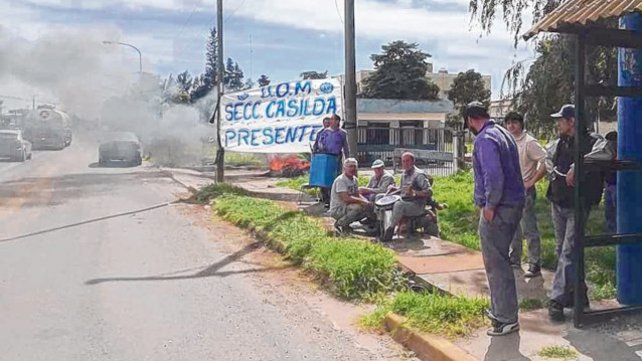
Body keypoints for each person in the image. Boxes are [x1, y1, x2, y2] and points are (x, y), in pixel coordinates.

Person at [467, 101, 525, 336]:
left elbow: (493, 174)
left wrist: (490, 205)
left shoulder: (484, 139)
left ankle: (505, 317)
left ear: (470, 119)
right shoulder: (503, 133)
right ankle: (505, 312)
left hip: (499, 208)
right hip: (515, 204)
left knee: (496, 263)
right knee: (502, 260)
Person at [545, 104, 604, 322]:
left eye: (561, 119)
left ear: (572, 121)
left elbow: (606, 152)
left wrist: (578, 165)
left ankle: (557, 300)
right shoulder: (561, 142)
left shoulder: (592, 141)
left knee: (568, 252)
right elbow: (547, 156)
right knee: (564, 250)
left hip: (577, 206)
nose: (558, 123)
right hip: (558, 201)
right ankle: (579, 294)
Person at [504, 112, 547, 278]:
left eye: (514, 122)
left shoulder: (529, 142)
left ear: (521, 124)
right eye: (508, 123)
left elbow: (545, 160)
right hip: (510, 191)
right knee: (513, 227)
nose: (511, 126)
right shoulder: (507, 141)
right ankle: (514, 259)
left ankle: (534, 263)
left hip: (525, 191)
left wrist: (532, 181)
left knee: (528, 228)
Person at [381, 152, 432, 242]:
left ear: (413, 161)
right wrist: (393, 190)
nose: (405, 163)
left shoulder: (419, 175)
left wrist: (415, 193)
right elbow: (402, 190)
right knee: (381, 198)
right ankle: (379, 227)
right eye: (403, 161)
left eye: (407, 161)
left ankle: (390, 229)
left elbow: (429, 191)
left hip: (416, 205)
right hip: (405, 200)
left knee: (398, 205)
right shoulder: (404, 174)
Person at [329, 158, 374, 235]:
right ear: (344, 168)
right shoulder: (341, 180)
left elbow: (357, 194)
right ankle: (340, 224)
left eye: (354, 166)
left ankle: (368, 226)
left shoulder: (355, 180)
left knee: (368, 207)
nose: (353, 168)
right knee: (358, 208)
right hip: (338, 209)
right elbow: (345, 198)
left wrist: (367, 202)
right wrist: (362, 201)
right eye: (350, 166)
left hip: (348, 207)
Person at [315, 114, 350, 208]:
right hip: (325, 158)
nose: (330, 121)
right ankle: (326, 199)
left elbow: (345, 146)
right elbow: (319, 143)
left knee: (336, 179)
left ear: (337, 121)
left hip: (336, 157)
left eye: (332, 119)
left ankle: (335, 200)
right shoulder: (325, 132)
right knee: (325, 179)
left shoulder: (342, 133)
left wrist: (348, 159)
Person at [603, 131, 618, 234]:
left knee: (617, 209)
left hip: (616, 184)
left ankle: (618, 231)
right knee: (609, 211)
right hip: (609, 184)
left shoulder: (621, 153)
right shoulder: (607, 154)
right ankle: (612, 231)